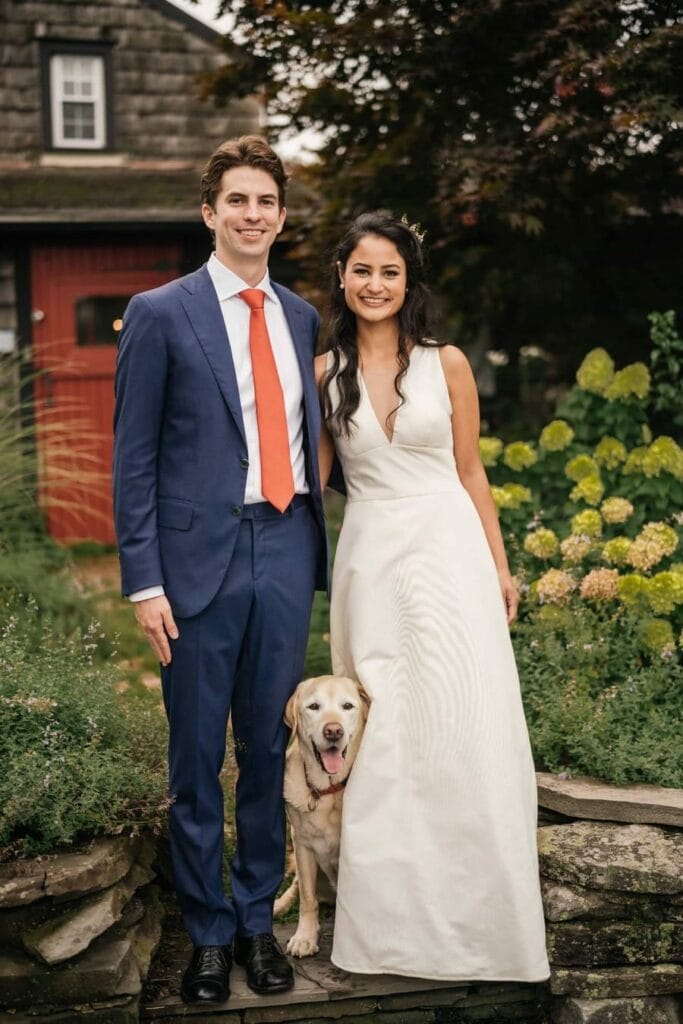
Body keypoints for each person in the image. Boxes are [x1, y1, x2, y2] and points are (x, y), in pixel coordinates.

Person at [112, 136, 327, 1005]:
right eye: (236, 200)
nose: (252, 215)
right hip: (196, 560)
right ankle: (205, 932)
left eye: (266, 202)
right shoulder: (162, 311)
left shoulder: (303, 317)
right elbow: (133, 458)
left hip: (285, 546)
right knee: (197, 756)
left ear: (280, 217)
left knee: (269, 745)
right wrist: (144, 580)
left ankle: (255, 925)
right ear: (210, 213)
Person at [314, 212, 550, 982]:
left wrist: (499, 564)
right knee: (381, 737)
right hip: (371, 559)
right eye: (361, 270)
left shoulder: (444, 363)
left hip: (447, 551)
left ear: (407, 282)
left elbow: (470, 470)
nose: (374, 285)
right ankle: (387, 934)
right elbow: (311, 484)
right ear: (341, 278)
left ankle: (481, 932)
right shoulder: (322, 373)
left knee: (462, 722)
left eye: (389, 272)